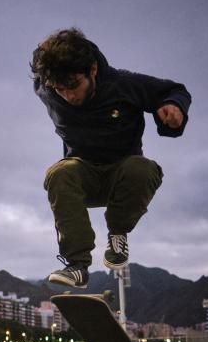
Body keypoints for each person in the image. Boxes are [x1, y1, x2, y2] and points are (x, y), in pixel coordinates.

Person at [31, 28, 191, 288]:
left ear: (92, 70)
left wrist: (174, 107)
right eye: (61, 89)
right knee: (59, 172)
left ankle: (117, 235)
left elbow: (174, 90)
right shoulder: (46, 89)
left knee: (143, 168)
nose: (69, 96)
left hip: (123, 180)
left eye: (74, 86)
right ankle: (77, 265)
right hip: (84, 179)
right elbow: (40, 69)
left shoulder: (124, 85)